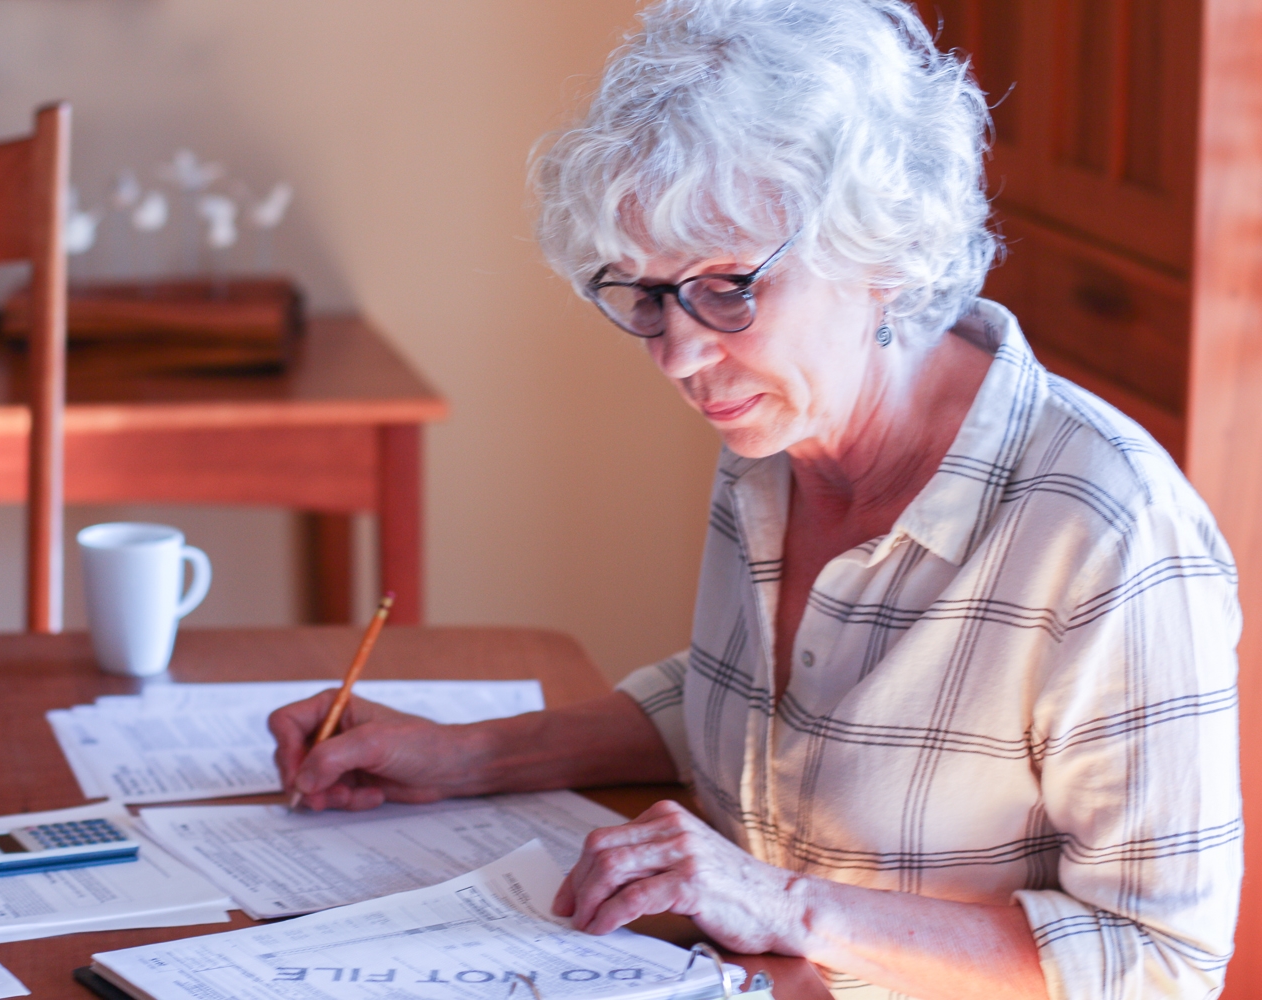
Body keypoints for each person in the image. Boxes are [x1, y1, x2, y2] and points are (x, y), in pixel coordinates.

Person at [269, 2, 1242, 998]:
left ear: (880, 251)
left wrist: (788, 906)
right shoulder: (774, 437)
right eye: (644, 295)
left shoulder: (1110, 532)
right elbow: (763, 707)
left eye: (729, 286)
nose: (680, 356)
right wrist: (461, 757)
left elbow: (1162, 960)